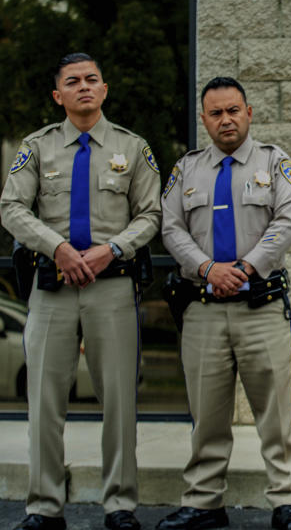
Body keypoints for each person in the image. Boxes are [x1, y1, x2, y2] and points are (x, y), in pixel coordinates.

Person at [1, 53, 162, 530]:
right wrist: (59, 249)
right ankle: (45, 507)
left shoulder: (133, 148)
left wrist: (109, 249)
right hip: (52, 289)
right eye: (73, 81)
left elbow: (151, 215)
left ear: (105, 89)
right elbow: (11, 207)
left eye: (92, 79)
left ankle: (119, 505)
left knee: (118, 403)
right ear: (59, 95)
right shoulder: (37, 147)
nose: (84, 86)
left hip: (111, 288)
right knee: (45, 403)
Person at [158, 77, 291, 530]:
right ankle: (204, 504)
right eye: (216, 113)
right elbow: (170, 228)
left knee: (277, 416)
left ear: (249, 113)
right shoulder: (186, 170)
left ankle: (287, 503)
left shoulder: (273, 162)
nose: (226, 119)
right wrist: (208, 268)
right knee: (207, 415)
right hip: (203, 310)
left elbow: (290, 220)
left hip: (261, 307)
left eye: (233, 110)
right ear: (204, 119)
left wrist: (243, 268)